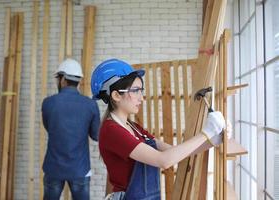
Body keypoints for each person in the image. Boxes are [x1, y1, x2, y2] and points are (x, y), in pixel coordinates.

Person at [90, 59, 225, 200]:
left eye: (141, 91)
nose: (141, 98)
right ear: (116, 95)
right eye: (135, 91)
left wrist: (212, 139)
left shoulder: (134, 128)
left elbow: (172, 151)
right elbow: (163, 160)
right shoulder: (111, 131)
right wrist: (206, 133)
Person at [42, 58, 100, 200]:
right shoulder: (90, 105)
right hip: (80, 168)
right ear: (78, 81)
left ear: (62, 80)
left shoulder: (48, 103)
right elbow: (96, 135)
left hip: (54, 167)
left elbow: (49, 127)